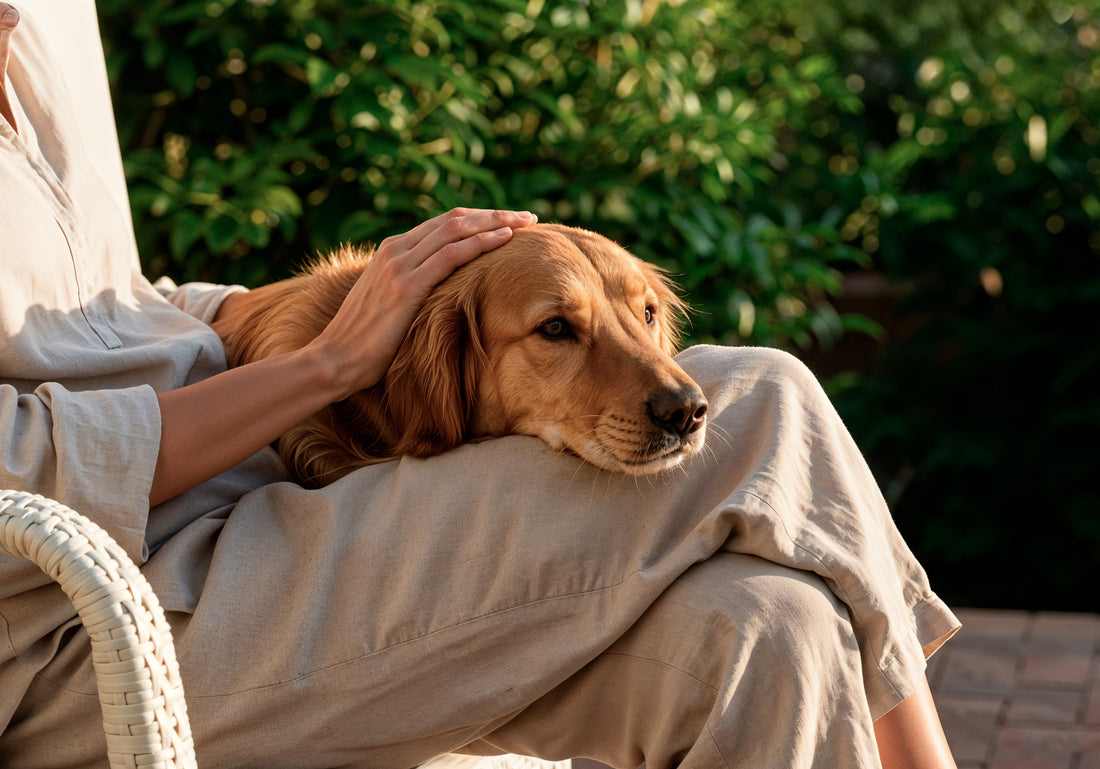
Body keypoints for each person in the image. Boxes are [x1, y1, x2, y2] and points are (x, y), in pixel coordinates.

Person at [0, 4, 961, 768]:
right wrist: (326, 366)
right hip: (74, 623)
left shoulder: (53, 12)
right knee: (768, 401)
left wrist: (319, 309)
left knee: (773, 633)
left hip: (257, 506)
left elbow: (104, 301)